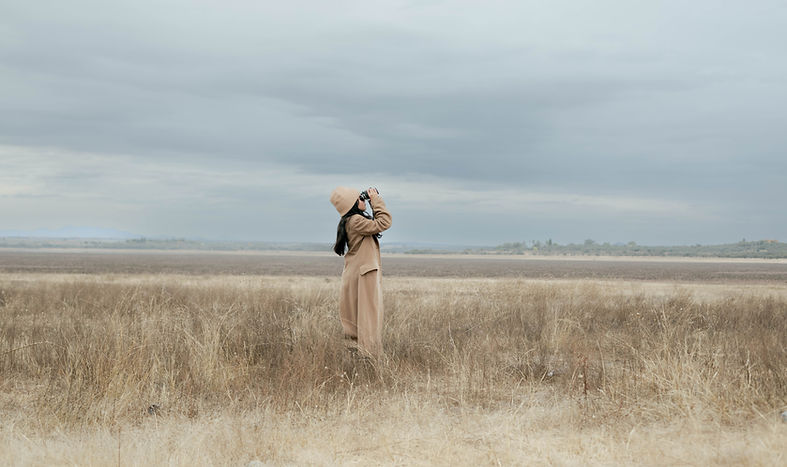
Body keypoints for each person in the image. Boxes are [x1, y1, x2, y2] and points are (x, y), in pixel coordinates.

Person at [330, 186, 392, 357]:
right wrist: (376, 201)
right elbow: (384, 223)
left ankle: (355, 357)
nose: (363, 200)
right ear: (353, 205)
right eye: (360, 199)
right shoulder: (356, 220)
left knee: (354, 319)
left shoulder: (348, 221)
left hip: (355, 273)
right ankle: (369, 357)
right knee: (368, 318)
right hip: (364, 275)